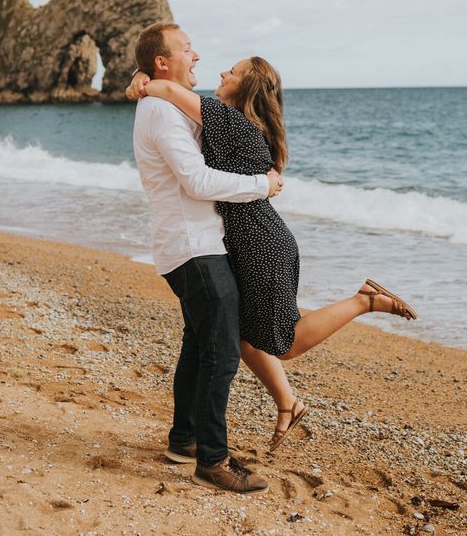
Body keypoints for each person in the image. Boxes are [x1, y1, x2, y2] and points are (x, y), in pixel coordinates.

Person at [127, 55, 417, 452]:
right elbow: (169, 91)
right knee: (241, 336)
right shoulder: (233, 122)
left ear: (246, 87)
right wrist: (140, 75)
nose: (222, 73)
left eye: (232, 71)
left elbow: (167, 89)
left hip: (261, 244)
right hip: (249, 240)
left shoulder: (231, 122)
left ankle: (364, 300)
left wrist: (144, 81)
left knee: (286, 342)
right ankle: (286, 404)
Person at [131, 22, 283, 494]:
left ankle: (185, 442)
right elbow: (196, 182)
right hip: (193, 247)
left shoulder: (163, 101)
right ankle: (213, 461)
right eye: (188, 49)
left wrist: (141, 82)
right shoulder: (161, 110)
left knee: (199, 348)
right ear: (163, 61)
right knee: (220, 353)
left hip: (194, 244)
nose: (196, 57)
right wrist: (263, 185)